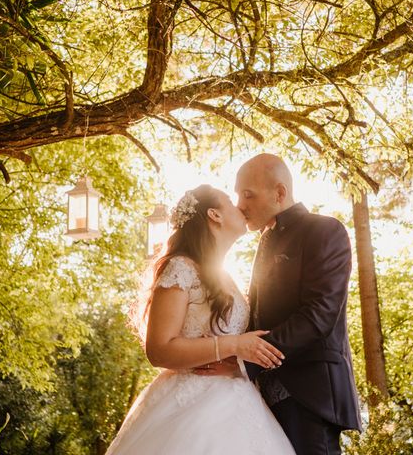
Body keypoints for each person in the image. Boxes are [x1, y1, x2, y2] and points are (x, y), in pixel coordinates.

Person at [105, 184, 295, 455]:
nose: (240, 205)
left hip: (241, 404)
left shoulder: (226, 277)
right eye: (230, 200)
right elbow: (159, 350)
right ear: (214, 215)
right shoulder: (180, 268)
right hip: (190, 405)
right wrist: (234, 345)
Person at [198, 154, 362, 454]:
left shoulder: (324, 231)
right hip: (261, 399)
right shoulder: (264, 241)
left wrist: (243, 358)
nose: (240, 204)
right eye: (237, 195)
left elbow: (319, 315)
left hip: (310, 395)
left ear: (280, 193)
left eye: (248, 194)